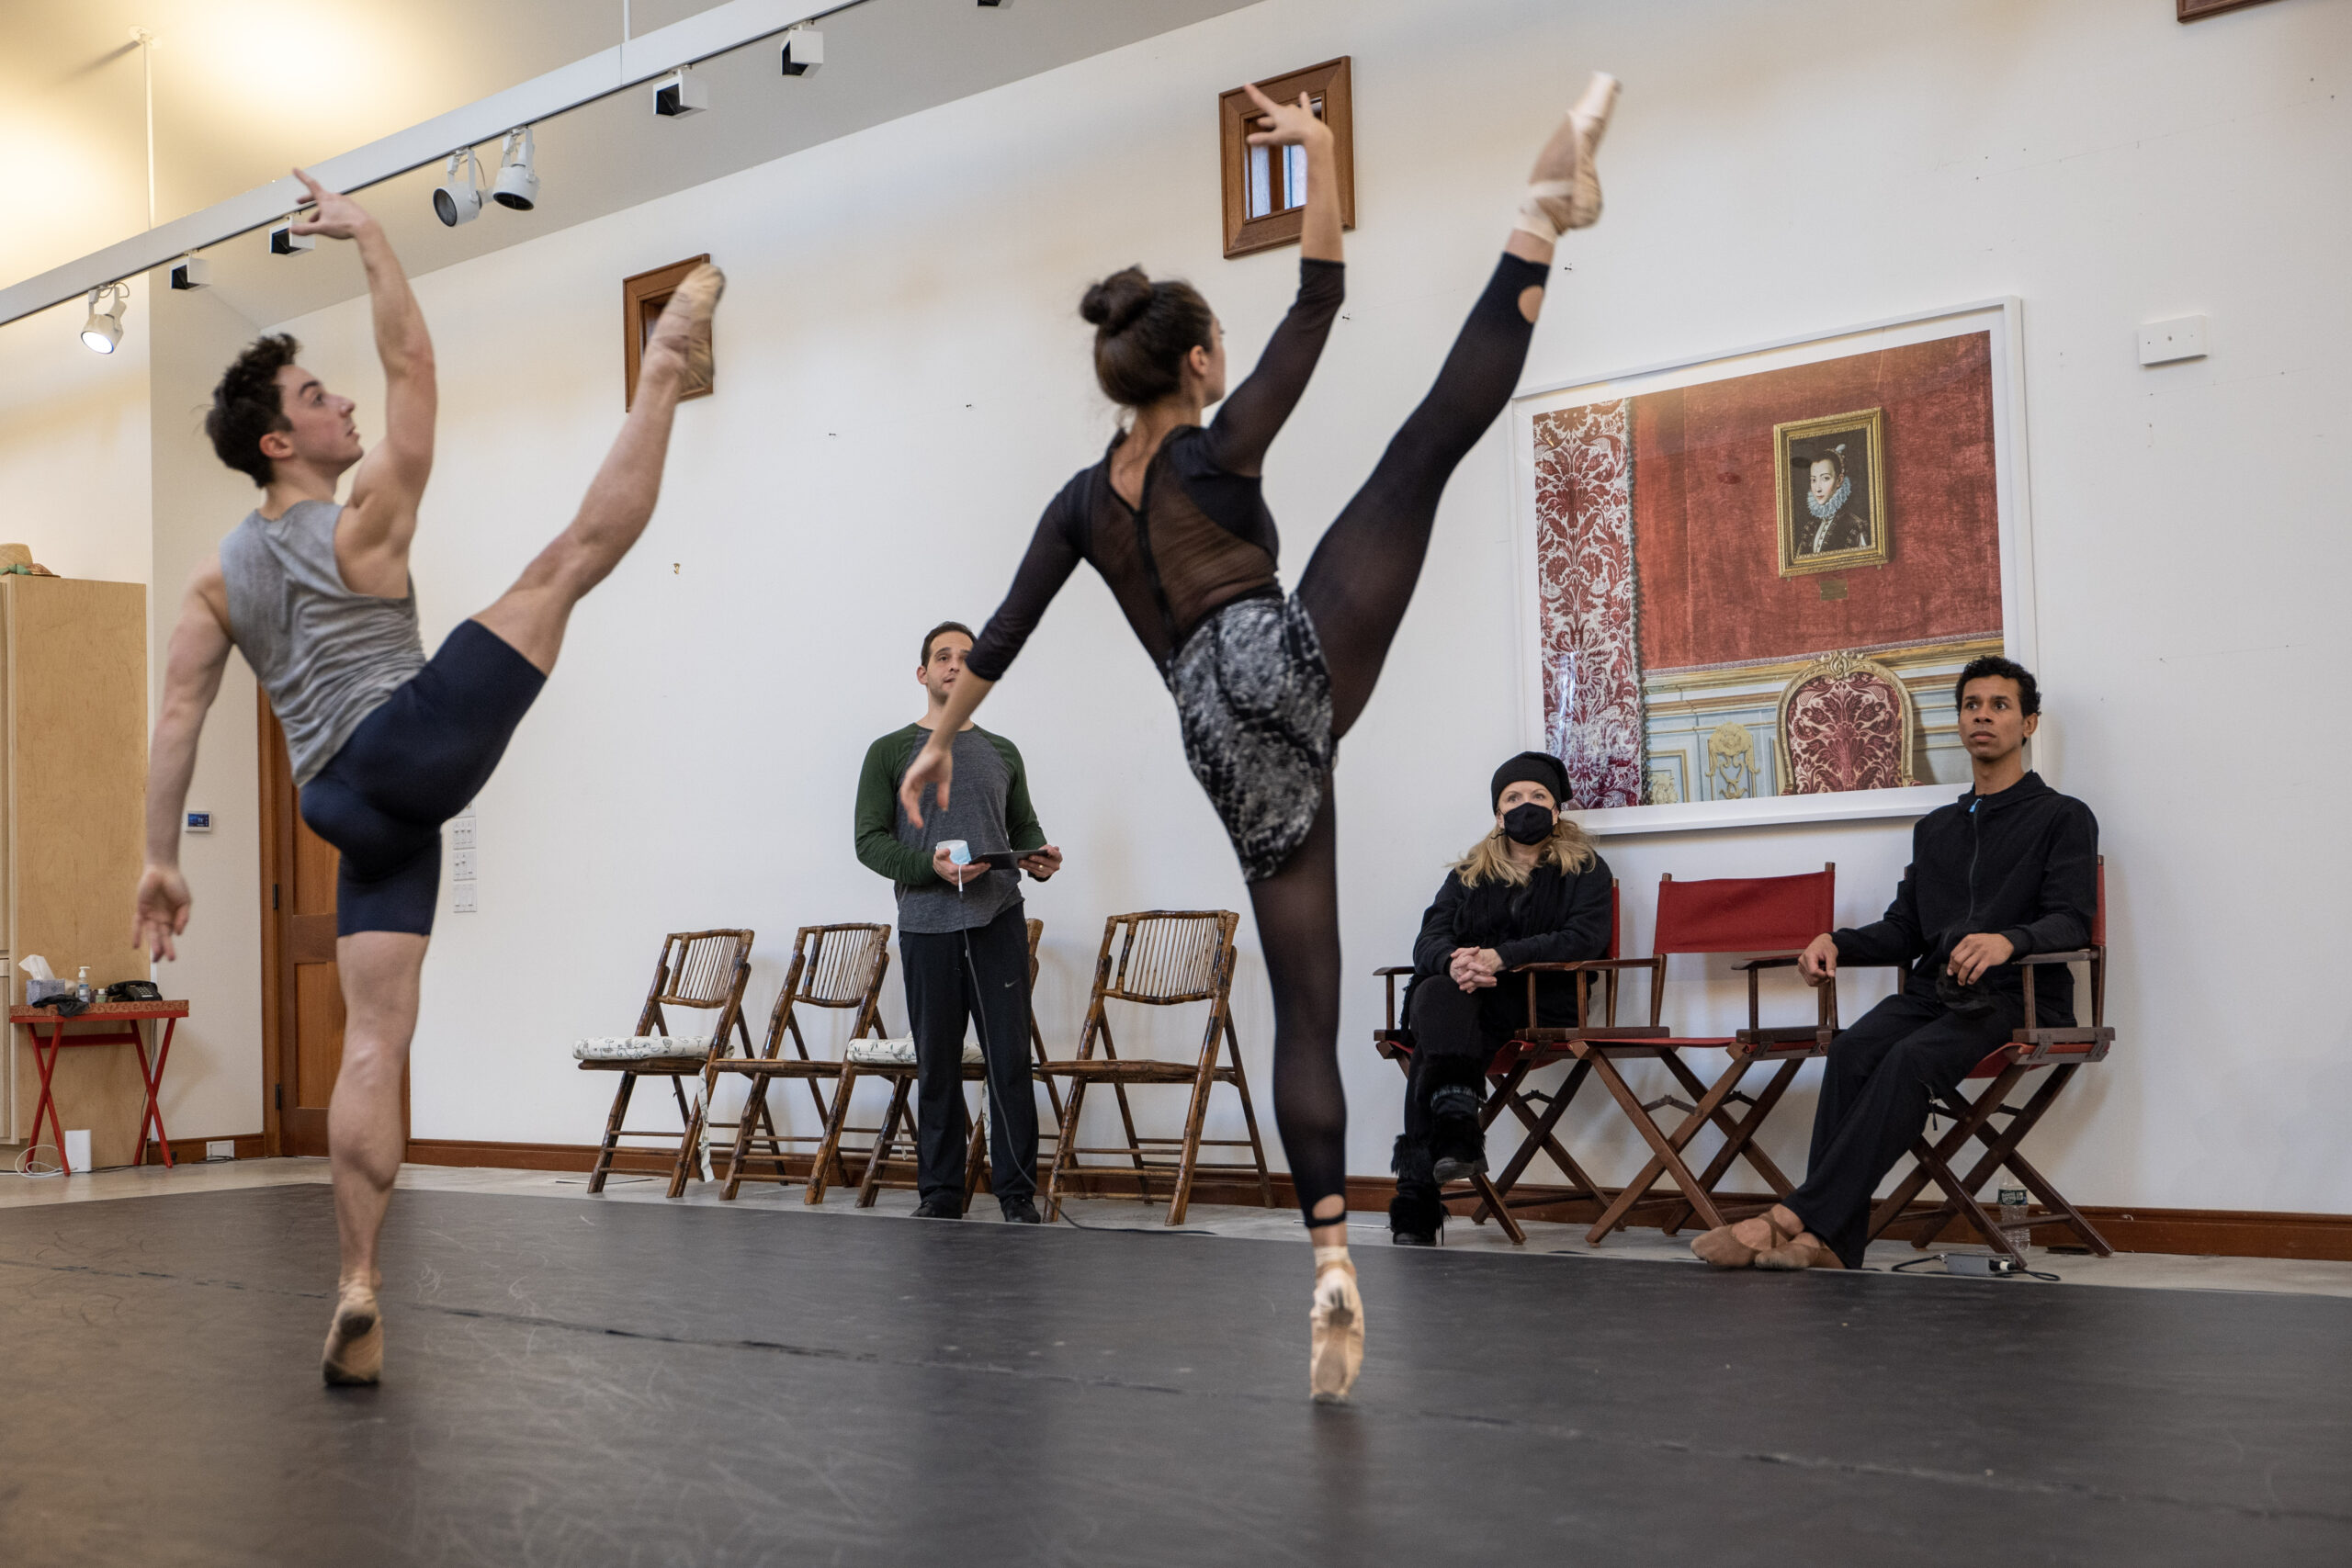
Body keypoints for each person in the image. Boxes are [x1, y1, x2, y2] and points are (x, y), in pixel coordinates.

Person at [897, 73, 1622, 1401]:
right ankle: (1538, 222)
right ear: (1196, 362)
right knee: (1418, 456)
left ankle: (1330, 1252)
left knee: (1304, 996)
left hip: (1208, 729)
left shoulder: (1080, 500)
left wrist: (938, 738)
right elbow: (1321, 298)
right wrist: (1325, 154)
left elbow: (997, 633)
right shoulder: (1216, 453)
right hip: (1273, 660)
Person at [133, 170, 723, 1384]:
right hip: (403, 747)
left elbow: (182, 709)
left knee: (372, 1040)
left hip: (342, 807)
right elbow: (418, 377)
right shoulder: (358, 523)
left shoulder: (213, 577)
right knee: (572, 557)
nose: (341, 400)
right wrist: (375, 239)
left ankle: (359, 1282)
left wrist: (160, 859)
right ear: (277, 441)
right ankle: (664, 365)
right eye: (314, 394)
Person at [1690, 655, 2096, 1272]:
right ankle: (1829, 1245)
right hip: (1938, 992)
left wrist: (2006, 940)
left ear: (2029, 723)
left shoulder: (2063, 816)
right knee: (1852, 1051)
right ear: (1960, 721)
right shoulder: (1935, 829)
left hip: (2019, 994)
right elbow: (1904, 929)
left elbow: (2072, 920)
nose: (1982, 714)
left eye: (2000, 704)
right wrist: (1835, 941)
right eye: (1971, 704)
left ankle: (1791, 1220)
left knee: (1909, 1059)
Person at [854, 621, 1063, 1223]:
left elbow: (1022, 832)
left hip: (999, 919)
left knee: (1008, 1060)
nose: (953, 665)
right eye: (942, 657)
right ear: (923, 673)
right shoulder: (889, 751)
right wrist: (930, 867)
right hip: (926, 925)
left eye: (966, 659)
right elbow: (869, 841)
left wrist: (1040, 859)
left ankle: (1017, 1194)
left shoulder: (1004, 751)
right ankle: (941, 1193)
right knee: (938, 1064)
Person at [1389, 752, 1611, 1247]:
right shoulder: (1469, 874)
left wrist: (1500, 958)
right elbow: (1428, 939)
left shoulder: (1586, 870)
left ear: (1556, 811)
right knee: (1439, 991)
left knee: (1434, 1029)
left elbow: (1584, 939)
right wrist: (1456, 962)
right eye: (1513, 797)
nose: (1524, 806)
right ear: (1497, 813)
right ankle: (1455, 1126)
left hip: (1542, 1002)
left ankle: (1417, 1198)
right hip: (1466, 1002)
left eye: (1537, 797)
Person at [1796, 447, 1871, 557]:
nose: (1818, 488)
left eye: (1825, 478)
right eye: (1813, 480)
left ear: (1839, 480)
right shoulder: (1811, 526)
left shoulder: (1855, 525)